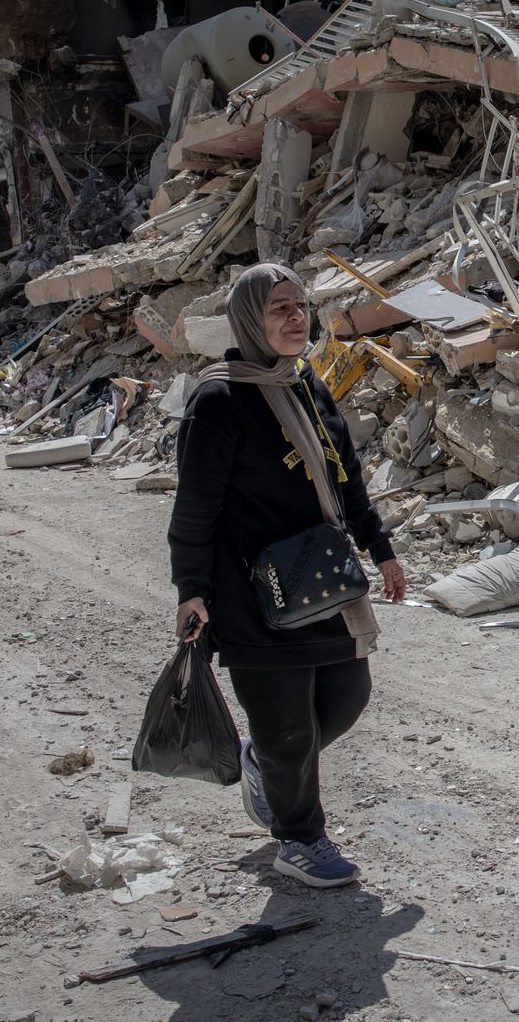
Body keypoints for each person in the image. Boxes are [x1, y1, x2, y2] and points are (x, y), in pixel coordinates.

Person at [167, 263, 408, 890]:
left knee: (347, 697)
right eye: (280, 309)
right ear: (250, 319)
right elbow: (194, 508)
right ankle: (300, 839)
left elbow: (347, 479)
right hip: (252, 594)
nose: (297, 318)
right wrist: (191, 589)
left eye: (301, 306)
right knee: (288, 724)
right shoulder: (218, 401)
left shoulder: (307, 387)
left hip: (322, 582)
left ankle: (267, 763)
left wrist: (381, 550)